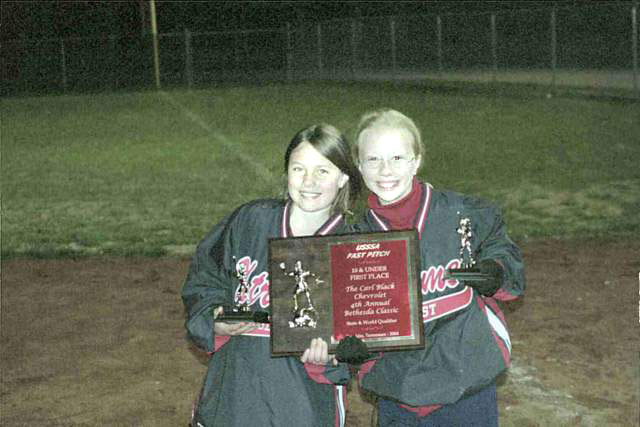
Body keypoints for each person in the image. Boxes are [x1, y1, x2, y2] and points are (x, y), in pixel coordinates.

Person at [352, 109, 525, 426]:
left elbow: (505, 257)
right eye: (373, 159)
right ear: (359, 165)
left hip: (466, 381)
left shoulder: (462, 214)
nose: (385, 170)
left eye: (397, 158)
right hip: (397, 388)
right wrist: (349, 345)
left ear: (416, 160)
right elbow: (343, 315)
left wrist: (495, 271)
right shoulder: (352, 240)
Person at [181, 123, 361, 427]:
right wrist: (214, 320)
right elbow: (205, 278)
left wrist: (331, 356)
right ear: (287, 171)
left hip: (301, 401)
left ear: (343, 177)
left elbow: (361, 341)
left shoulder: (354, 248)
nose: (309, 181)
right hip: (235, 392)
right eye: (298, 169)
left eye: (323, 171)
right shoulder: (250, 220)